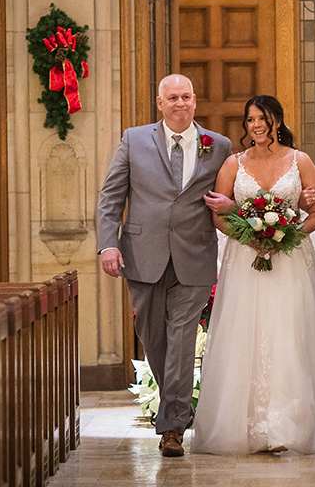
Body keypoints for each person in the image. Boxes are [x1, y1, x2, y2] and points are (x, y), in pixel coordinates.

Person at [191, 95, 315, 455]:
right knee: (245, 335)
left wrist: (287, 236)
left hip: (290, 260)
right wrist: (252, 236)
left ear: (276, 121)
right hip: (246, 261)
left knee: (289, 335)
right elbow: (218, 213)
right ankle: (244, 428)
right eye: (250, 120)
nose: (256, 125)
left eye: (262, 118)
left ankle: (287, 427)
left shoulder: (300, 160)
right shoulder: (234, 163)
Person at [97, 74, 233, 457]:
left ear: (194, 101)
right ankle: (175, 406)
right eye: (172, 97)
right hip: (143, 255)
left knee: (182, 339)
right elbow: (111, 196)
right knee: (153, 337)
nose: (180, 103)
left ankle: (173, 425)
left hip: (194, 255)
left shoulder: (218, 146)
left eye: (186, 96)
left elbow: (236, 192)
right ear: (160, 103)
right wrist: (108, 245)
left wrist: (238, 209)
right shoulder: (133, 139)